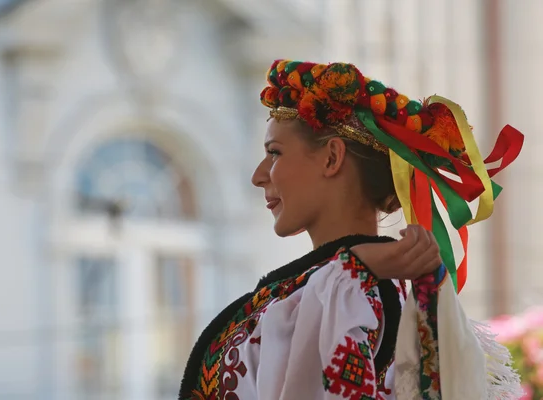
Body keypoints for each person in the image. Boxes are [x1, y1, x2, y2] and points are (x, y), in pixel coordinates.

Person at [178, 60, 524, 399]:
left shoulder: (350, 292)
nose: (259, 175)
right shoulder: (336, 284)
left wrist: (350, 270)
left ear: (332, 158)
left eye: (275, 153)